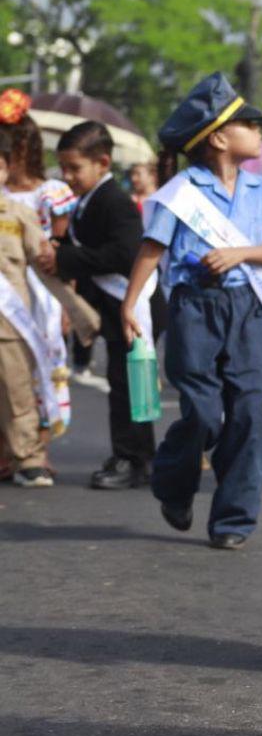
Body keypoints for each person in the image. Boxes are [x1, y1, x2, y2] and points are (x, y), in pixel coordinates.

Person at [120, 72, 262, 550]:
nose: (259, 132)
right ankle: (173, 484)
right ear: (219, 137)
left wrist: (241, 254)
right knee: (202, 412)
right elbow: (152, 249)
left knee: (249, 413)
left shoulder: (260, 189)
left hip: (246, 307)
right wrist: (131, 304)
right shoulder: (183, 190)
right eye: (249, 124)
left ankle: (234, 520)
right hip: (194, 308)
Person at [42, 122, 163, 489]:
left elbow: (124, 254)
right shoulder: (89, 200)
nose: (67, 176)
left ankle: (136, 459)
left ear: (102, 162)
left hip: (130, 304)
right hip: (110, 305)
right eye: (63, 168)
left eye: (74, 168)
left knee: (129, 385)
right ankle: (127, 453)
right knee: (121, 382)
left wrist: (66, 259)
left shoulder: (114, 201)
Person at [0, 88, 76, 428]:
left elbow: (61, 250)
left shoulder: (51, 192)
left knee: (41, 360)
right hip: (5, 283)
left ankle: (39, 448)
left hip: (39, 290)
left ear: (23, 149)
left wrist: (67, 304)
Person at [0, 133, 56, 487]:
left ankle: (29, 459)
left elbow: (46, 263)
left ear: (5, 170)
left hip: (9, 321)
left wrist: (78, 312)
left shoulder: (19, 214)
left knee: (17, 391)